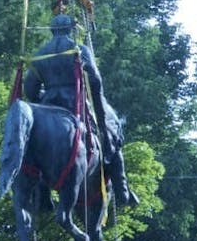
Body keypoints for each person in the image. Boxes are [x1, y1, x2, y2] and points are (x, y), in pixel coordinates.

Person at [23, 14, 137, 207]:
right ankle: (122, 189)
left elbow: (30, 88)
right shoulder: (80, 48)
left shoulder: (40, 53)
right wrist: (97, 102)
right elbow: (95, 80)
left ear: (52, 31)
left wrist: (42, 98)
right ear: (71, 30)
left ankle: (41, 193)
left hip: (49, 104)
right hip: (76, 102)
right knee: (111, 132)